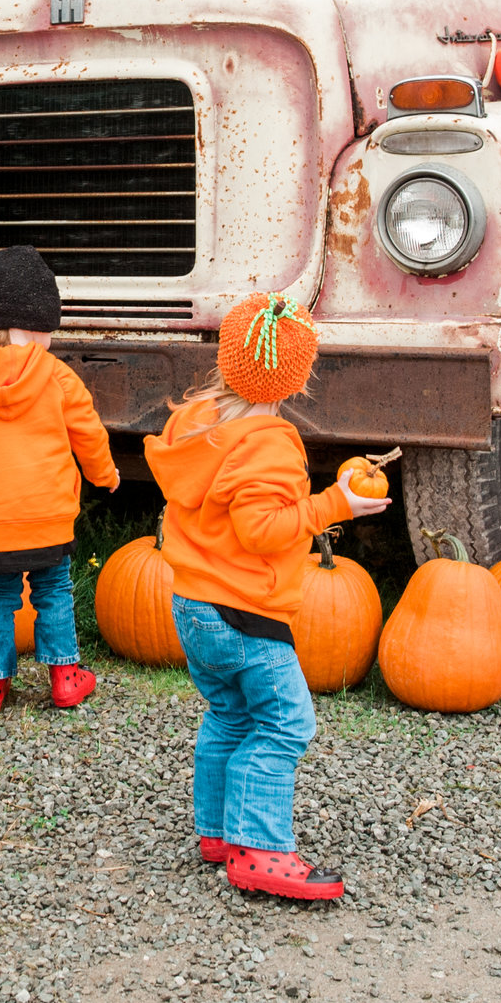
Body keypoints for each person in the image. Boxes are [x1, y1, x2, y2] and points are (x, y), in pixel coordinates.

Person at [143, 290, 393, 901]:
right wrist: (339, 504)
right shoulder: (271, 443)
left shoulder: (195, 421)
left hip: (193, 604)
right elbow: (263, 530)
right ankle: (258, 848)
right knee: (285, 723)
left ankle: (218, 833)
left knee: (229, 713)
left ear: (227, 360)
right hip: (244, 614)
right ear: (299, 377)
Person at [0, 245, 121, 714]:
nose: (48, 338)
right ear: (30, 329)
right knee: (53, 593)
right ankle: (66, 678)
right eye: (45, 329)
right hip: (47, 516)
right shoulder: (58, 377)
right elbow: (88, 433)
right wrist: (105, 475)